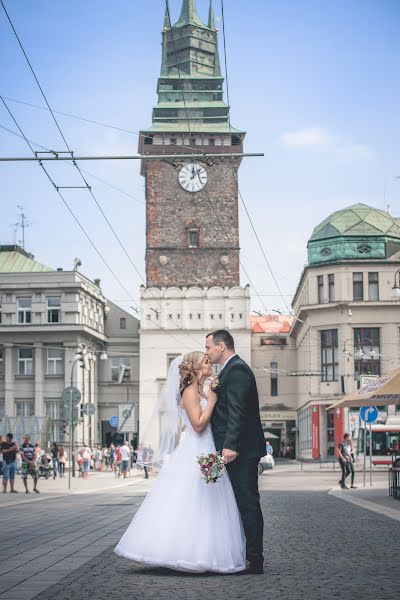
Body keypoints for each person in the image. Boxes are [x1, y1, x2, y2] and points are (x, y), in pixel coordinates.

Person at [114, 352, 246, 573]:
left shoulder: (201, 390)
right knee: (194, 500)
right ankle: (183, 552)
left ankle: (207, 552)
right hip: (195, 451)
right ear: (195, 368)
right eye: (205, 362)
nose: (209, 364)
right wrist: (212, 402)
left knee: (210, 502)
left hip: (208, 449)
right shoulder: (189, 392)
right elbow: (197, 425)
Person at [206, 330, 266, 574]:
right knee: (233, 502)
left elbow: (238, 411)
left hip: (239, 451)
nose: (207, 352)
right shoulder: (228, 371)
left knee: (247, 502)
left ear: (221, 346)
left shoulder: (237, 370)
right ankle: (241, 553)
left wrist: (230, 445)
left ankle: (255, 559)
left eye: (208, 347)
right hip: (229, 450)